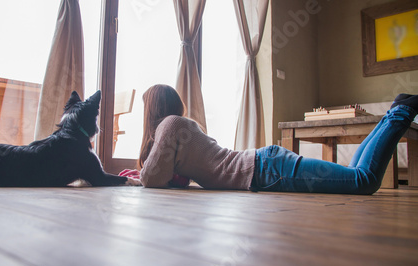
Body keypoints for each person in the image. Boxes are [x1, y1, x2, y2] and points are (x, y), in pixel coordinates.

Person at [136, 84, 417, 195]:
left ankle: (402, 111)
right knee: (356, 176)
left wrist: (134, 176)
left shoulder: (169, 125)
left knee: (363, 181)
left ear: (154, 109)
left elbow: (151, 178)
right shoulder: (178, 125)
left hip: (266, 169)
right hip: (265, 164)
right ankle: (395, 111)